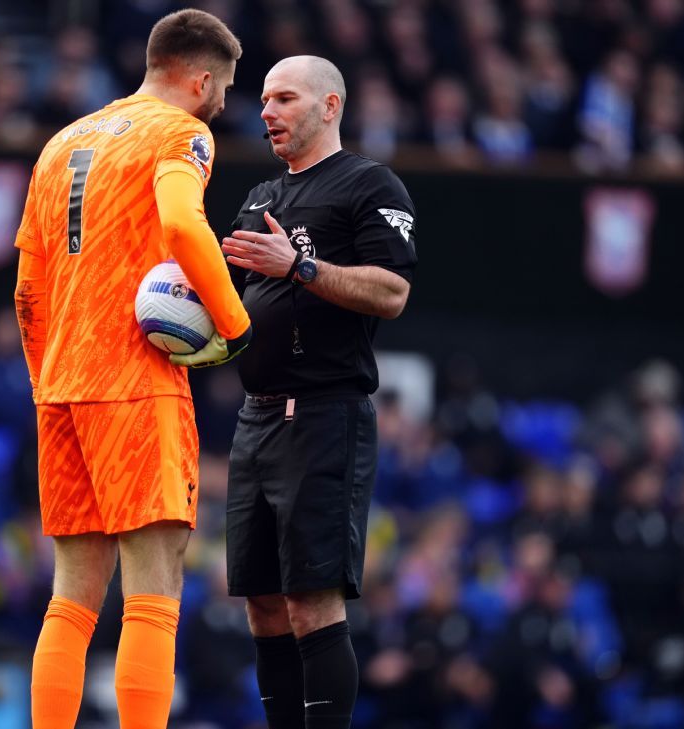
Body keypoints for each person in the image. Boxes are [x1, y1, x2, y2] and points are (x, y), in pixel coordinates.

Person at [12, 9, 251, 729]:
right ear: (201, 78)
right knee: (156, 580)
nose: (223, 103)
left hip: (60, 384)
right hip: (136, 379)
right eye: (225, 89)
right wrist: (237, 330)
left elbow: (27, 291)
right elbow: (182, 224)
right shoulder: (181, 132)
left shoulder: (61, 142)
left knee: (73, 593)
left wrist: (43, 381)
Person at [219, 55, 417, 729]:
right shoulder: (259, 197)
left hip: (325, 414)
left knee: (311, 601)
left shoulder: (369, 184)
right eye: (265, 99)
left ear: (330, 106)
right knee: (262, 603)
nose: (266, 111)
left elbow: (392, 293)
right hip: (257, 417)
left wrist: (298, 265)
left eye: (284, 98)